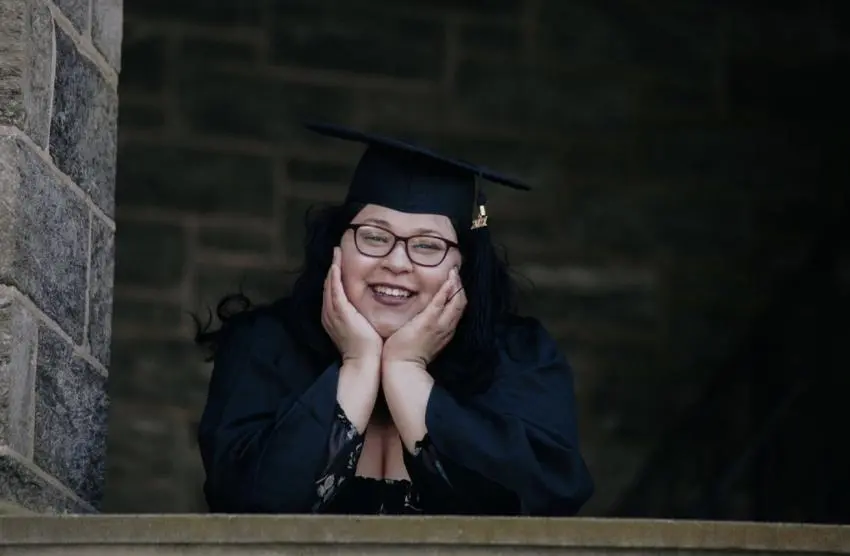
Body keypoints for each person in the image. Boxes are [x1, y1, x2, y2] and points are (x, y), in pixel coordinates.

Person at [193, 123, 594, 516]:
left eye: (427, 245)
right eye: (373, 236)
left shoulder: (520, 357)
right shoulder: (264, 347)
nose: (396, 262)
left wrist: (406, 370)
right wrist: (359, 364)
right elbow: (244, 503)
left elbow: (544, 500)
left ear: (463, 266)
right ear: (338, 247)